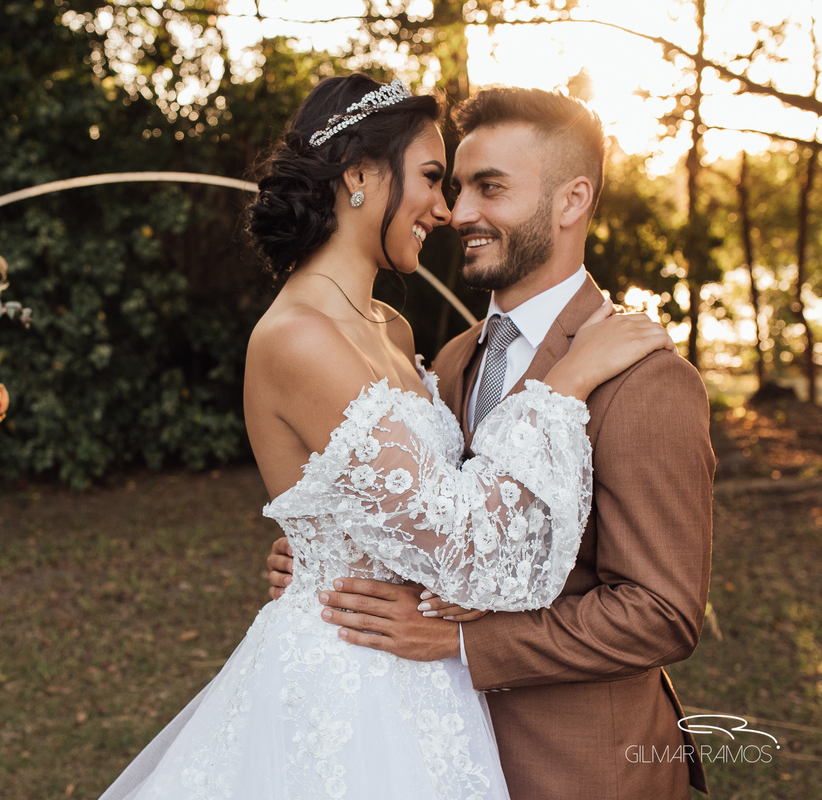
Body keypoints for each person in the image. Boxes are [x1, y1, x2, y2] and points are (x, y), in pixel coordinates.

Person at [99, 74, 673, 800]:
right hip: (352, 689)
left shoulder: (392, 329)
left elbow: (400, 501)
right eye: (434, 179)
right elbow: (460, 546)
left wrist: (328, 543)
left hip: (427, 683)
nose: (447, 209)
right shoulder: (297, 338)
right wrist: (566, 383)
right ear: (362, 176)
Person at [268, 86, 715, 800]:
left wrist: (463, 643)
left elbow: (660, 614)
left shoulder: (646, 381)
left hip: (584, 773)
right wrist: (332, 552)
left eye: (489, 188)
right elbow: (431, 520)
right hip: (437, 754)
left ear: (571, 202)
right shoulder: (445, 362)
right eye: (453, 185)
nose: (459, 213)